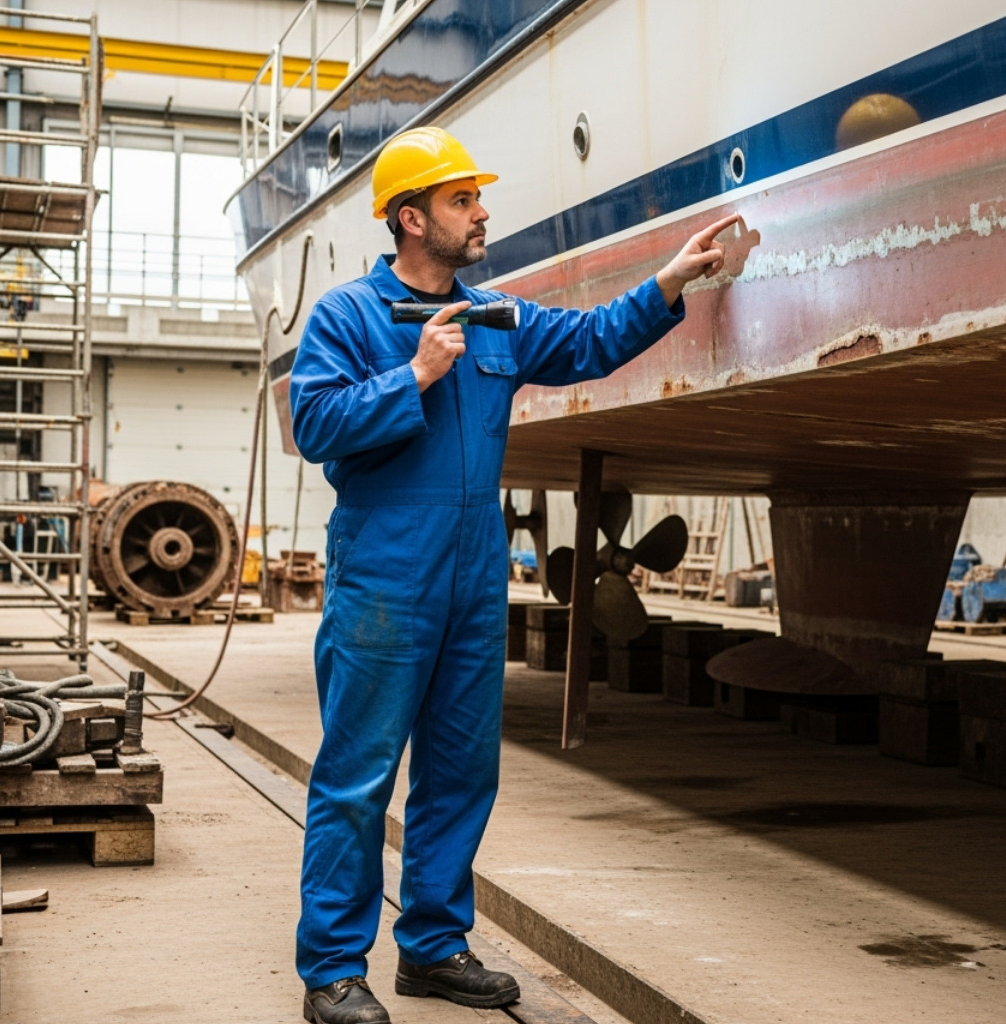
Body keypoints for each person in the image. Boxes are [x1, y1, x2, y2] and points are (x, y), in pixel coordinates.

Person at [289, 126, 738, 1024]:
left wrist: (668, 281)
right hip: (383, 575)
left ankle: (433, 948)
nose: (482, 211)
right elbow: (314, 426)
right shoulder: (348, 317)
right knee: (357, 774)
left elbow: (592, 342)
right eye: (463, 201)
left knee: (461, 769)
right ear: (411, 219)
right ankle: (334, 969)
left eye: (477, 197)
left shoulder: (500, 316)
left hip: (472, 577)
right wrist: (413, 375)